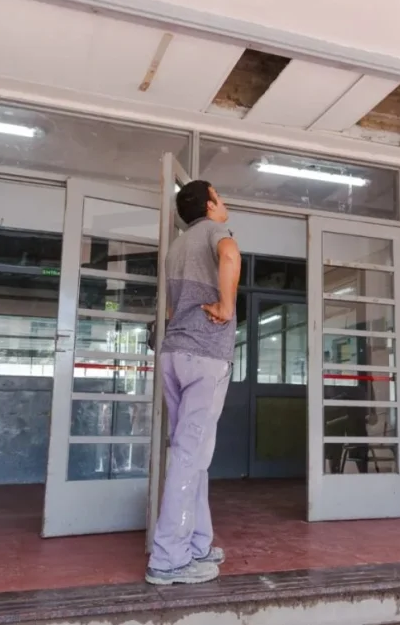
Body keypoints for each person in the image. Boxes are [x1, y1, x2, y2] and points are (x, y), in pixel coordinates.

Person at [145, 180, 241, 586]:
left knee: (193, 454)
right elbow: (231, 255)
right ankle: (168, 559)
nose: (224, 202)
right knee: (190, 456)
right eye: (220, 196)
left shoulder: (178, 246)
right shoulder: (216, 232)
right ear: (209, 204)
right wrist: (227, 306)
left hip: (174, 353)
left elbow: (172, 308)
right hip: (205, 355)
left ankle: (198, 544)